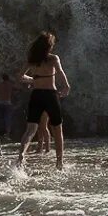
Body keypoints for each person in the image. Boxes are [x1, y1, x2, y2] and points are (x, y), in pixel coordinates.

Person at [17, 32, 71, 170]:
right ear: (49, 46)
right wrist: (66, 86)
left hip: (36, 95)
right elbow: (60, 72)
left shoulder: (32, 60)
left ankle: (21, 156)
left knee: (30, 130)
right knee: (57, 130)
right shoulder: (53, 59)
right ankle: (59, 163)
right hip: (50, 96)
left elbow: (20, 76)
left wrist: (32, 79)